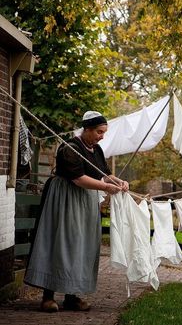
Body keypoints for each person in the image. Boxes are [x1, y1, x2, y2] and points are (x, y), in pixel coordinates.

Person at [24, 111, 129, 312]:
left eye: (104, 132)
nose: (102, 136)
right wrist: (106, 188)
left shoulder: (96, 149)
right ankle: (48, 296)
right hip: (65, 199)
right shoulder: (70, 148)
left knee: (82, 245)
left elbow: (104, 175)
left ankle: (71, 296)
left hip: (86, 201)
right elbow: (78, 178)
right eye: (99, 131)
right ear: (87, 129)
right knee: (60, 243)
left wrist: (119, 182)